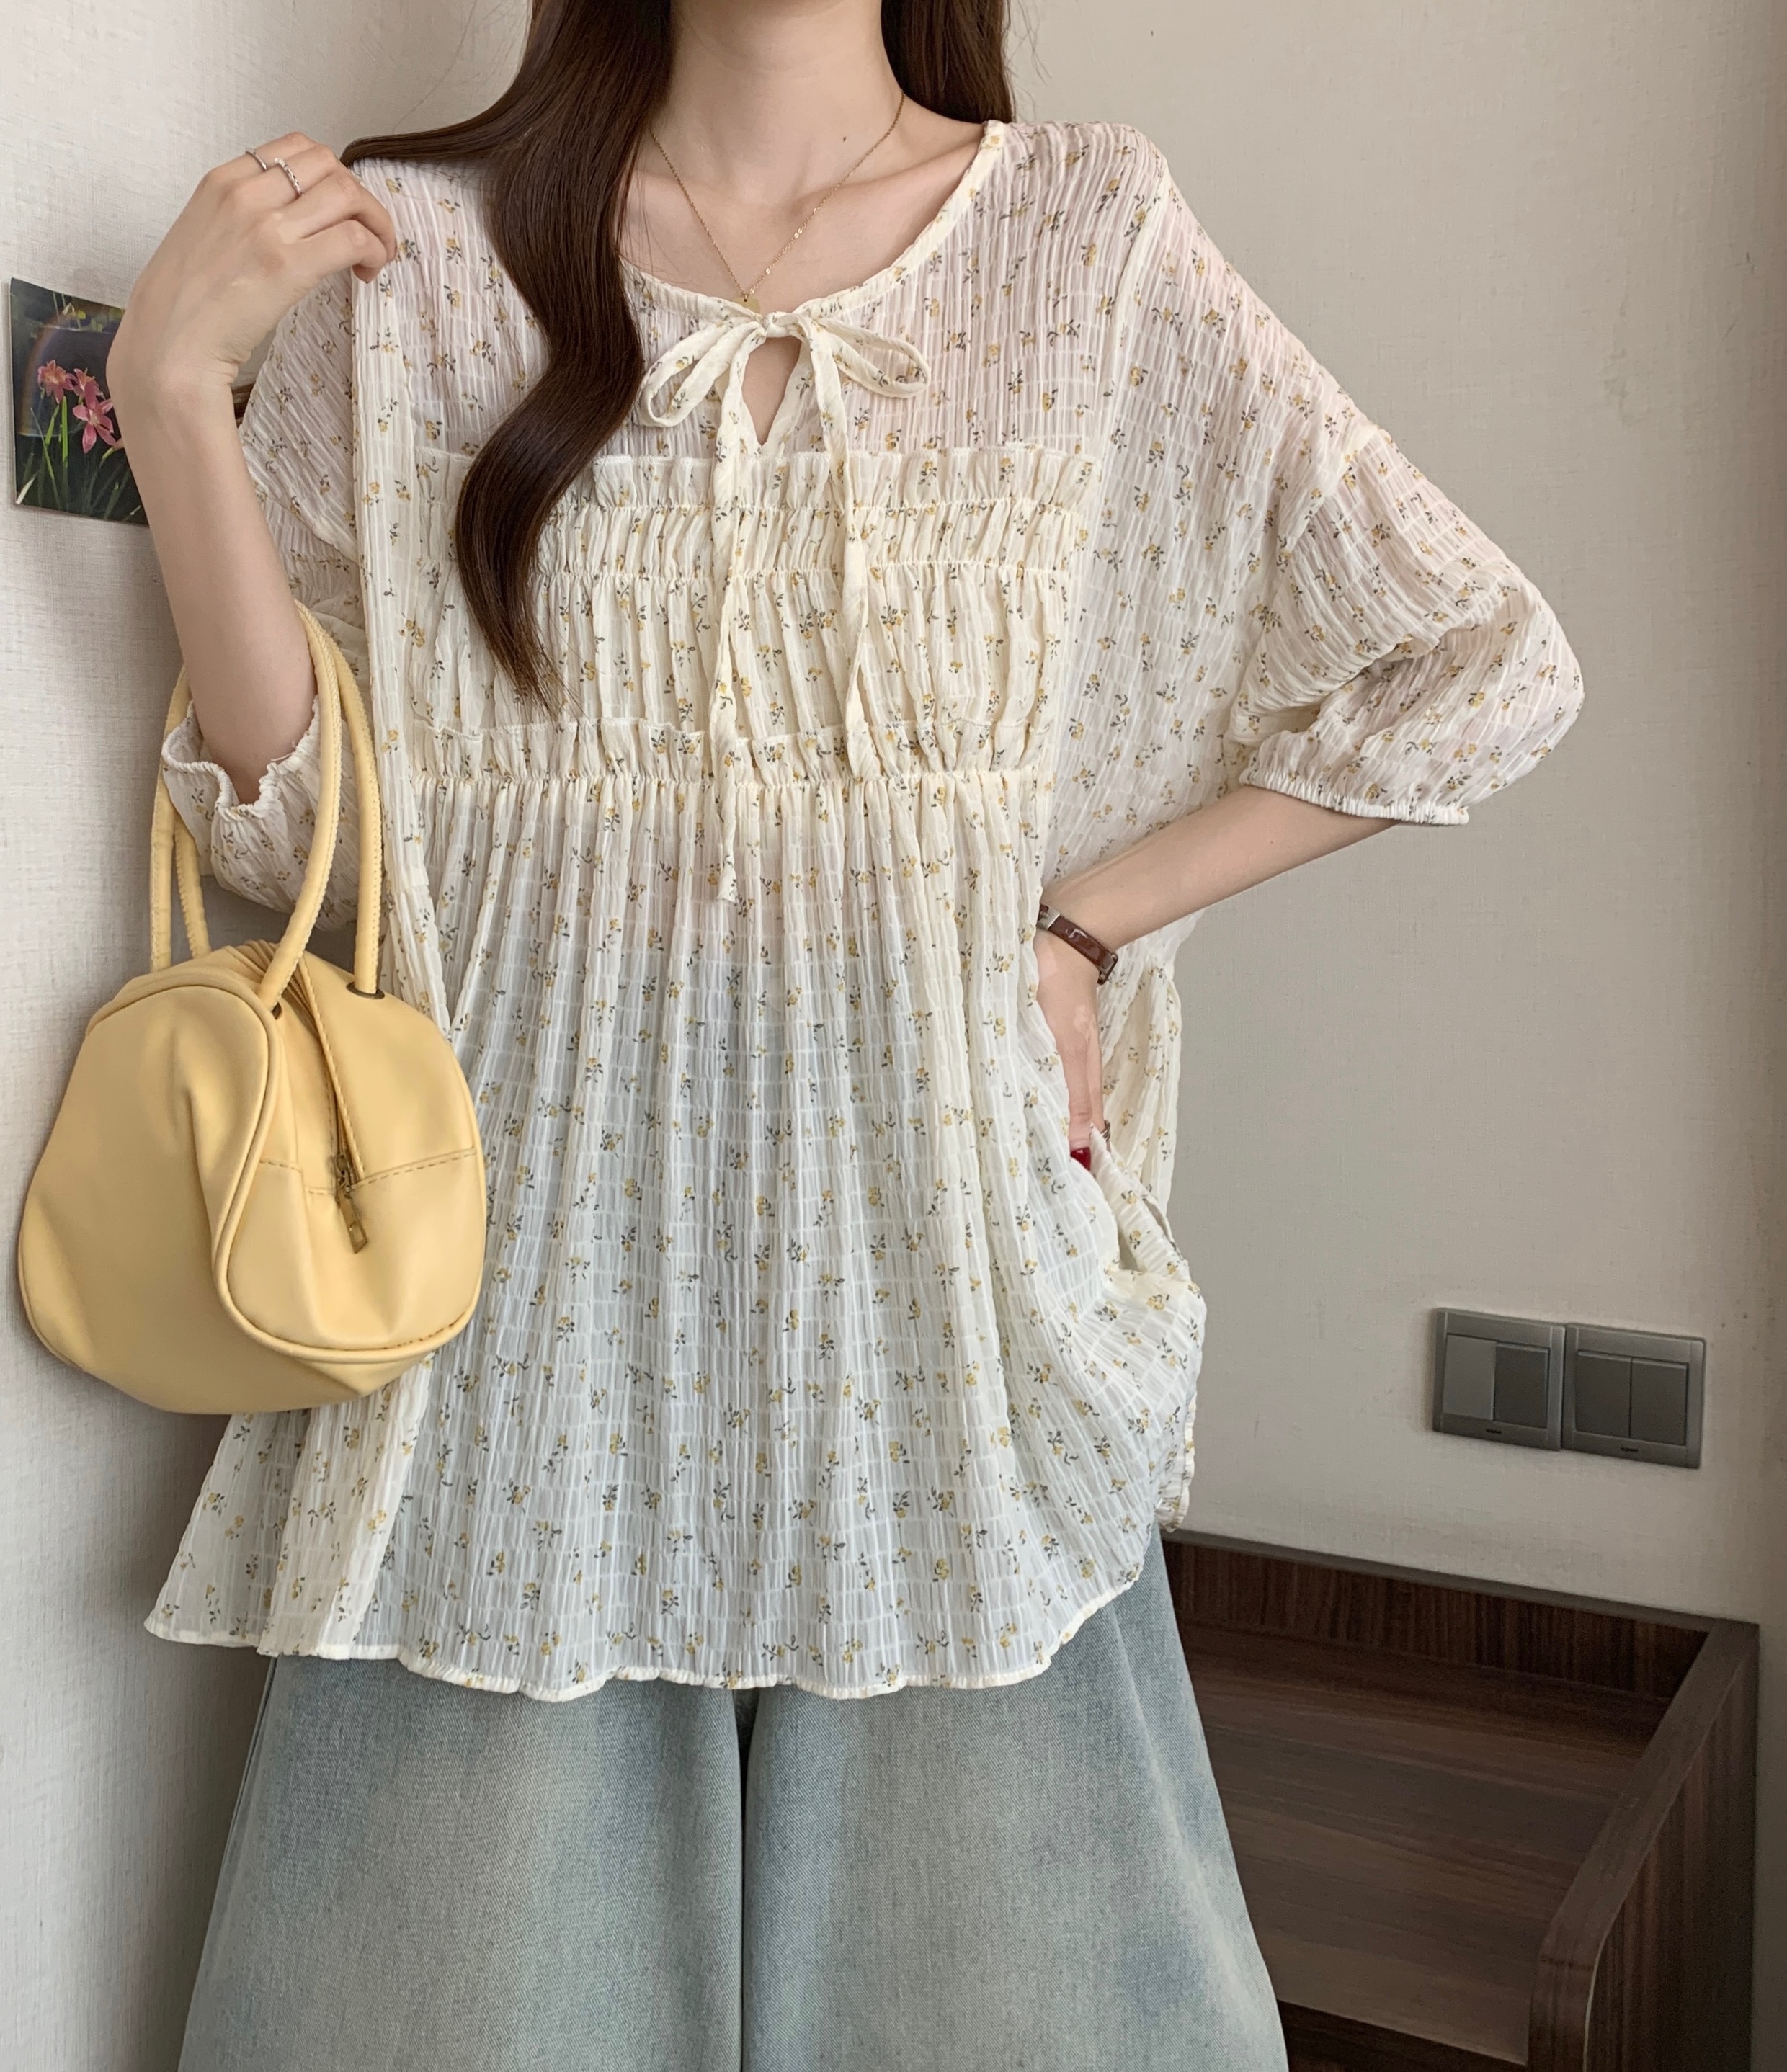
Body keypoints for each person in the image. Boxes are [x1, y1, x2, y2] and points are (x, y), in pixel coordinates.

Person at [105, 0, 1582, 2063]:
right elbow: (300, 836)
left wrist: (1080, 931)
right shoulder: (421, 252)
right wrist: (172, 396)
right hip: (520, 1337)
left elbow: (1476, 661)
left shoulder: (1085, 235)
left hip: (936, 1319)